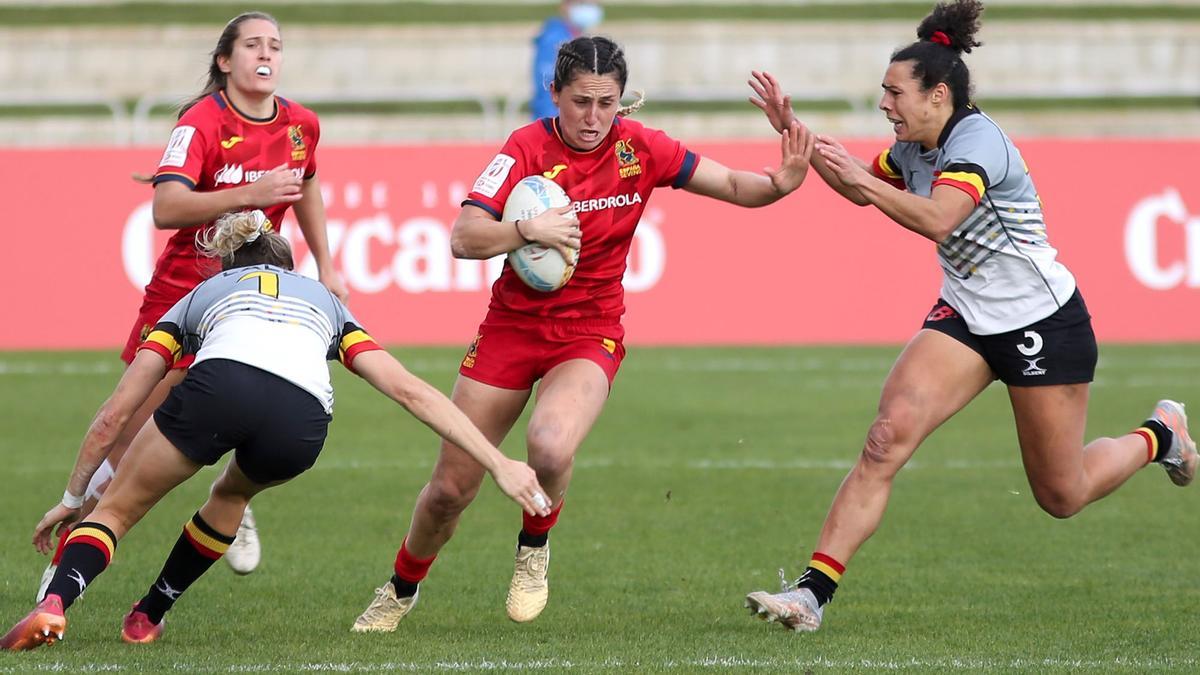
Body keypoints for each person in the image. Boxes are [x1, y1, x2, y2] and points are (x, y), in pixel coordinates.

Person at [742, 0, 1197, 633]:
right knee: (884, 440)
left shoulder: (976, 141)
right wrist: (797, 134)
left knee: (1061, 495)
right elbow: (856, 186)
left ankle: (1160, 435)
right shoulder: (916, 143)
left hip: (1044, 321)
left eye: (893, 93)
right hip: (965, 316)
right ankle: (811, 595)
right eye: (883, 93)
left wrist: (864, 179)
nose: (884, 105)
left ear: (938, 95)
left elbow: (936, 217)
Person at [349, 35, 814, 632]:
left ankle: (534, 548)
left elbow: (730, 186)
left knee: (549, 445)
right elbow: (464, 237)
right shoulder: (524, 147)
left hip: (590, 331)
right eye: (580, 102)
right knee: (448, 491)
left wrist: (782, 181)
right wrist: (527, 229)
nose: (594, 117)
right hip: (511, 329)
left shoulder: (642, 148)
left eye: (607, 102)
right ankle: (401, 588)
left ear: (622, 100)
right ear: (554, 95)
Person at [0, 211, 550, 652]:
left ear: (226, 264)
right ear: (292, 267)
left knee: (115, 511)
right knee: (233, 492)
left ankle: (56, 605)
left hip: (219, 386)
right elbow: (410, 390)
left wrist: (73, 497)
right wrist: (498, 461)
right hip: (302, 417)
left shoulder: (198, 296)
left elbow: (115, 413)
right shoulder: (327, 305)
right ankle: (149, 614)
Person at [34, 10, 348, 597]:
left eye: (275, 45)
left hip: (248, 296)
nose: (266, 54)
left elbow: (307, 185)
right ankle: (75, 542)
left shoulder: (303, 124)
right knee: (129, 430)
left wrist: (327, 265)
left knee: (239, 396)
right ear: (225, 61)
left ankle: (231, 493)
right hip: (183, 289)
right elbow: (166, 208)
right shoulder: (203, 121)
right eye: (253, 44)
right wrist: (250, 192)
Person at [530, 1, 604, 120]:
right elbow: (547, 88)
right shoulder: (554, 40)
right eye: (583, 3)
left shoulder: (575, 37)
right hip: (556, 121)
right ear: (565, 5)